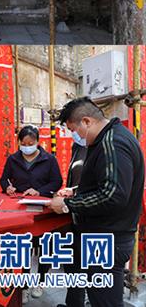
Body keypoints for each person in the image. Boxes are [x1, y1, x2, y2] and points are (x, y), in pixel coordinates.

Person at [49, 97, 144, 307]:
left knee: (105, 301)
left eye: (73, 130)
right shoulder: (108, 139)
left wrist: (67, 205)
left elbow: (113, 195)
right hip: (105, 235)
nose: (75, 136)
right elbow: (108, 184)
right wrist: (75, 192)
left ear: (86, 121)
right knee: (100, 297)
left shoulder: (113, 143)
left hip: (108, 238)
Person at [0, 125, 63, 303]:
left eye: (30, 143)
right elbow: (4, 179)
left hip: (43, 208)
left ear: (38, 142)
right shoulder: (13, 159)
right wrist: (8, 187)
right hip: (21, 207)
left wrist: (39, 191)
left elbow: (57, 181)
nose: (27, 147)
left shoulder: (49, 159)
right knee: (23, 246)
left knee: (45, 246)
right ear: (19, 142)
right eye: (23, 144)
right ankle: (24, 285)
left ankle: (40, 282)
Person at [58, 126, 88, 307]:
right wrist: (71, 191)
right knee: (73, 266)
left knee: (84, 267)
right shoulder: (77, 146)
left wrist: (73, 195)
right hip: (74, 216)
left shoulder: (102, 148)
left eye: (73, 128)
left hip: (89, 217)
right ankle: (73, 303)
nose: (73, 133)